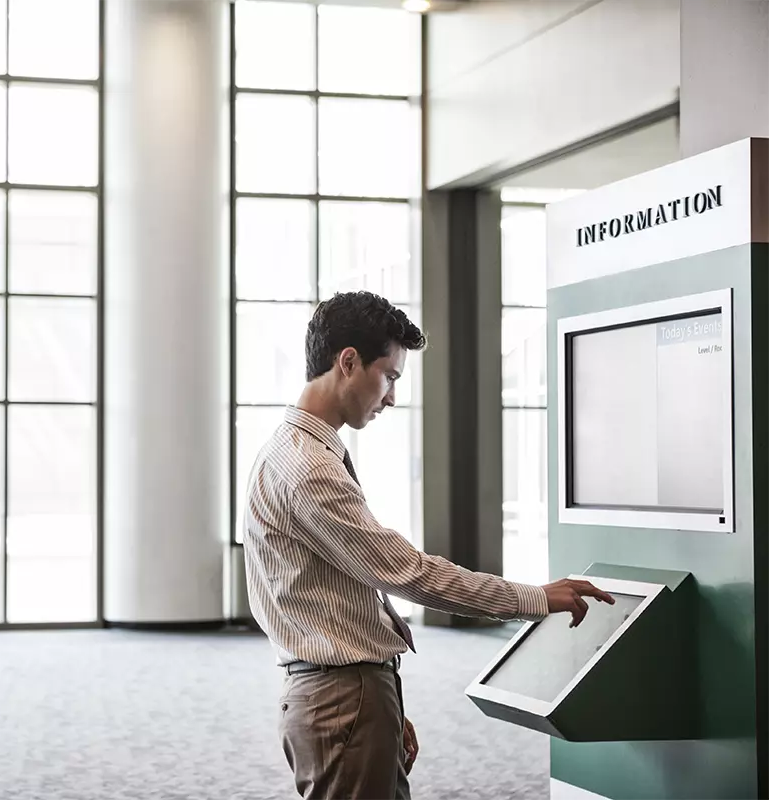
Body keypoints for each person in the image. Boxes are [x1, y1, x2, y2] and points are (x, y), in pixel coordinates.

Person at [242, 291, 614, 800]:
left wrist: (381, 705)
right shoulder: (309, 468)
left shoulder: (287, 450)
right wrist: (534, 598)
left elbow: (337, 594)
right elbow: (409, 573)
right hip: (340, 697)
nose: (392, 396)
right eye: (390, 375)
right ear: (348, 361)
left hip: (344, 694)